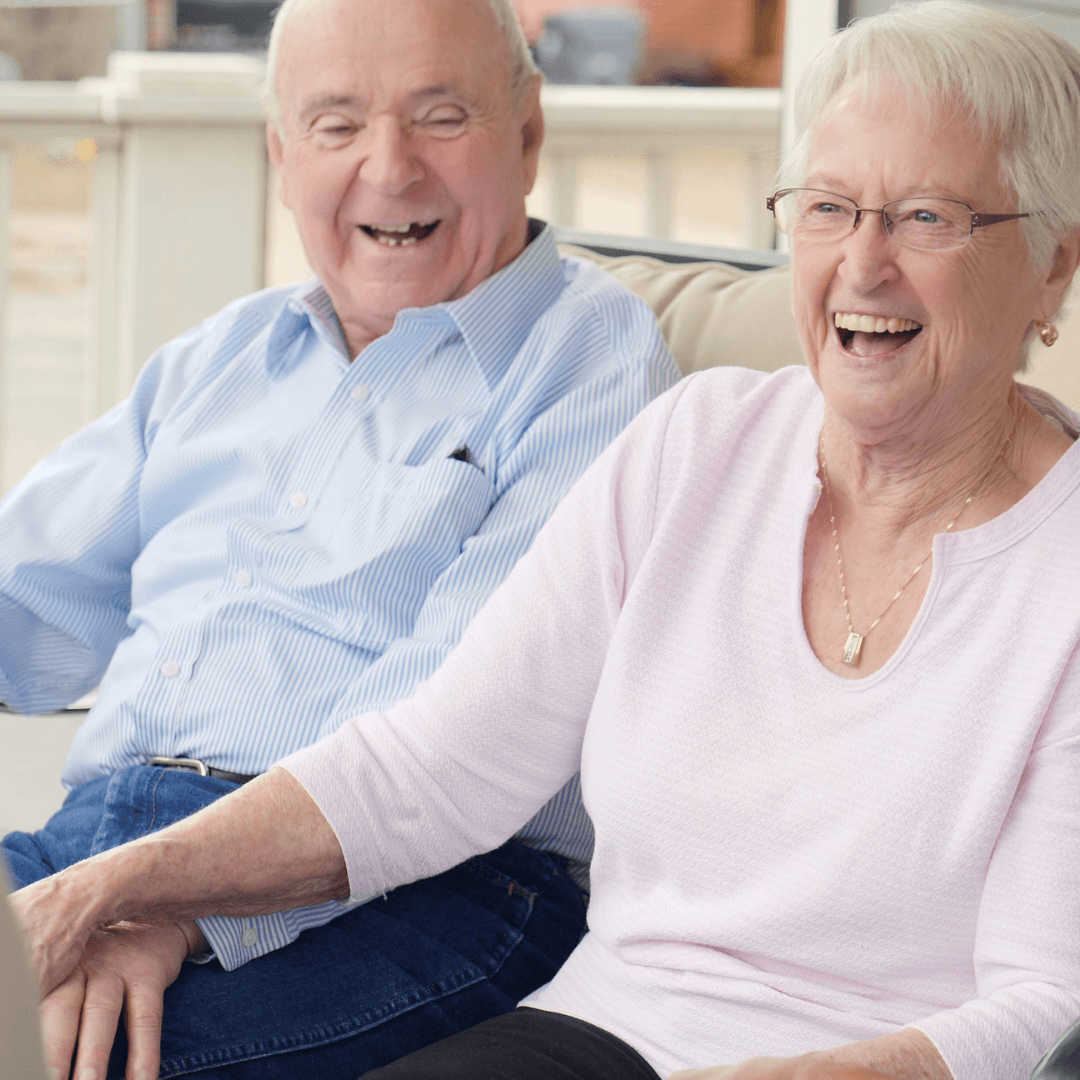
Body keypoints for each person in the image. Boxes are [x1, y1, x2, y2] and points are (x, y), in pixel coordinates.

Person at [16, 1, 1080, 1078]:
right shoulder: (702, 443)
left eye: (928, 217)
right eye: (828, 207)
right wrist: (99, 893)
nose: (864, 265)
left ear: (1054, 266)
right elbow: (433, 766)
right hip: (597, 1029)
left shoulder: (1059, 569)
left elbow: (1049, 1000)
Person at [0, 0, 677, 1074]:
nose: (389, 168)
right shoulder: (223, 356)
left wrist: (160, 907)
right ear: (282, 156)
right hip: (103, 848)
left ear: (528, 134)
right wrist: (106, 895)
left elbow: (447, 750)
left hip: (421, 893)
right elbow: (20, 601)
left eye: (440, 116)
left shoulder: (588, 364)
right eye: (336, 125)